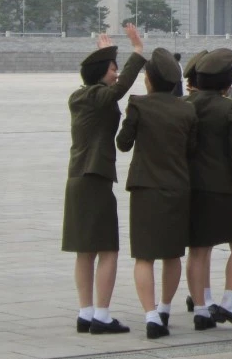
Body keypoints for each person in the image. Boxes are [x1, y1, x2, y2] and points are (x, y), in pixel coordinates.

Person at [63, 23, 145, 335]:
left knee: (85, 250)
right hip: (95, 176)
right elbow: (118, 89)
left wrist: (104, 55)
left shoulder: (81, 96)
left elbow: (109, 90)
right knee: (108, 248)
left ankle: (86, 312)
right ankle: (102, 314)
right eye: (113, 68)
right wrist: (137, 52)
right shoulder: (99, 97)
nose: (116, 73)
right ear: (101, 74)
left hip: (78, 178)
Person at [116, 48, 199, 339]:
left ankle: (150, 315)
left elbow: (123, 143)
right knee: (172, 254)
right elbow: (192, 149)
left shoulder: (139, 105)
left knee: (144, 256)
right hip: (177, 187)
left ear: (149, 79)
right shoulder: (187, 109)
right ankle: (164, 307)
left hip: (145, 187)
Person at [182, 48, 232, 332]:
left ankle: (201, 307)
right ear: (227, 83)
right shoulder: (230, 109)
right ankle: (229, 301)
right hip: (223, 188)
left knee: (198, 249)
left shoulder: (185, 105)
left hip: (192, 186)